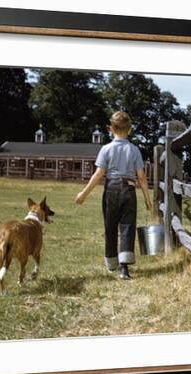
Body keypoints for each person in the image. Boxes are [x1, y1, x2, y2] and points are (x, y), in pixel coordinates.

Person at [75, 111, 152, 280]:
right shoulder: (134, 150)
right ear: (130, 130)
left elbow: (98, 174)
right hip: (129, 190)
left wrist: (83, 194)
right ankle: (124, 268)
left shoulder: (106, 149)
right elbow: (142, 177)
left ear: (111, 129)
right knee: (127, 227)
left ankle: (112, 264)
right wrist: (147, 198)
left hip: (111, 189)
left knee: (110, 227)